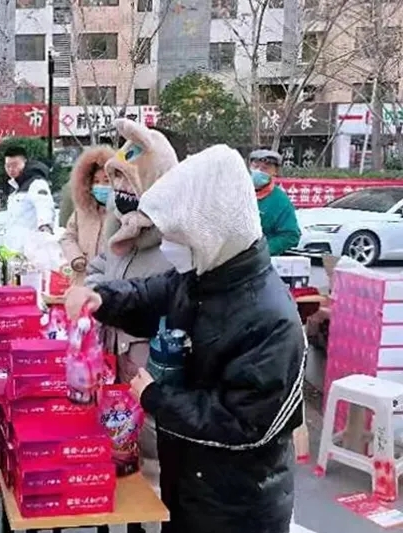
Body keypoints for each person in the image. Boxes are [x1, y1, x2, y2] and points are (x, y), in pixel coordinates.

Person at [66, 145, 304, 533]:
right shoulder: (202, 277)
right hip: (189, 482)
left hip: (237, 505)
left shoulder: (271, 318)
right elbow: (150, 294)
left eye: (178, 236)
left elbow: (244, 424)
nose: (167, 246)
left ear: (211, 231)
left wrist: (156, 397)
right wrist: (102, 299)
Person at [84, 120, 180, 533]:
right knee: (119, 445)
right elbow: (98, 268)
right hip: (113, 356)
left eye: (128, 181)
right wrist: (93, 293)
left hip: (150, 359)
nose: (119, 191)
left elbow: (167, 301)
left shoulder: (175, 241)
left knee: (154, 449)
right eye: (116, 180)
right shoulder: (118, 228)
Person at [59, 145, 116, 285]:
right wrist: (76, 258)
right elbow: (68, 237)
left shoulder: (121, 213)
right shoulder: (82, 211)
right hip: (81, 280)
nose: (101, 186)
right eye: (96, 181)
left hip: (111, 282)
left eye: (106, 181)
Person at [248, 148, 301, 255]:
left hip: (261, 258)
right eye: (256, 166)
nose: (259, 171)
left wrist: (261, 251)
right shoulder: (236, 193)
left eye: (265, 168)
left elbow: (291, 235)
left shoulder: (280, 201)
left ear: (275, 172)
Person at [3, 146, 55, 240]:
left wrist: (45, 228)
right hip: (14, 245)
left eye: (15, 165)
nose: (11, 169)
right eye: (8, 166)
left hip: (31, 244)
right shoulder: (15, 188)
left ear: (25, 162)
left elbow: (44, 206)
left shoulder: (37, 183)